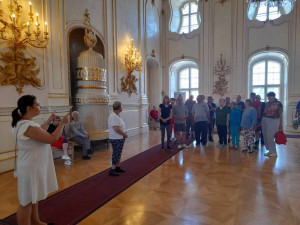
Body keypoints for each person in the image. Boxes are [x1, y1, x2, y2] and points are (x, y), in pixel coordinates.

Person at [11, 95, 69, 225]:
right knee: (26, 202)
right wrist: (62, 123)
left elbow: (39, 133)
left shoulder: (23, 123)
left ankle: (36, 221)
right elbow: (52, 138)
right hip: (31, 167)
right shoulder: (28, 126)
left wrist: (48, 122)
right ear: (29, 108)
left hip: (31, 165)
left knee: (33, 197)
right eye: (37, 104)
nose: (40, 106)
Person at [108, 101, 128, 176]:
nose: (121, 108)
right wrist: (124, 134)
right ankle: (112, 169)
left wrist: (123, 134)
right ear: (119, 108)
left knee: (119, 152)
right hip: (115, 138)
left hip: (119, 137)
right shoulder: (113, 116)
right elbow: (116, 128)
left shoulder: (117, 115)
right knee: (116, 153)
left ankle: (117, 167)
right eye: (121, 106)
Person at [262, 92, 283, 157]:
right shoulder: (267, 103)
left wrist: (280, 124)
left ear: (273, 96)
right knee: (265, 135)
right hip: (265, 119)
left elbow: (280, 114)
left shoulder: (278, 103)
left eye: (270, 96)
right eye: (268, 97)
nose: (268, 98)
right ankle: (270, 151)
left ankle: (274, 152)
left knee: (270, 136)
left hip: (273, 120)